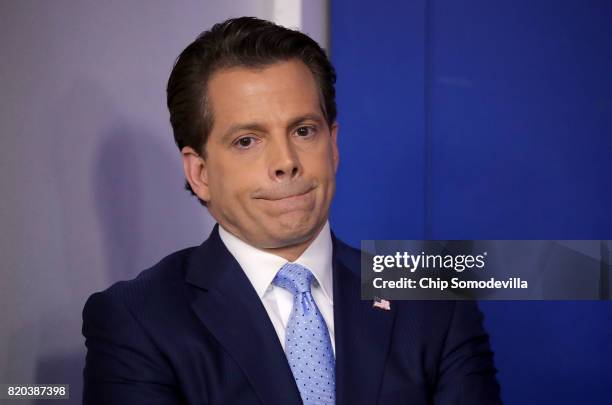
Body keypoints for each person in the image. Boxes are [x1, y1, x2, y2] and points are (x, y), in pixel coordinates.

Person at [82, 17, 501, 405]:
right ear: (201, 172)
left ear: (333, 145)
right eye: (248, 140)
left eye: (303, 131)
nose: (286, 161)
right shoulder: (136, 320)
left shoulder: (433, 303)